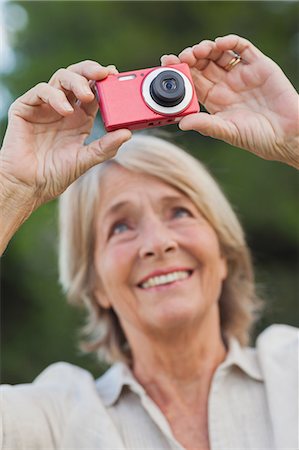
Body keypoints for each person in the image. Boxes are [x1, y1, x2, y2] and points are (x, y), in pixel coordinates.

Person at [0, 34, 298, 450]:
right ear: (95, 282)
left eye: (179, 212)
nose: (157, 244)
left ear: (224, 251)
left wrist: (295, 140)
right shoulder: (53, 422)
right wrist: (14, 189)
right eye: (120, 227)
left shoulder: (292, 373)